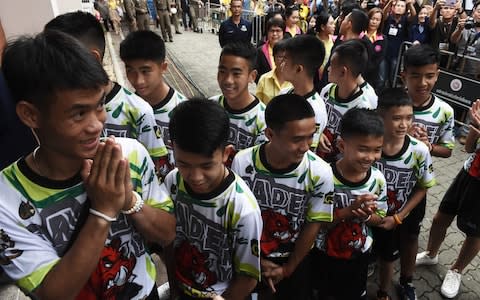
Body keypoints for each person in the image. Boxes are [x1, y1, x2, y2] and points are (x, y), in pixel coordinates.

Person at [0, 29, 176, 300]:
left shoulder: (130, 155)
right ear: (30, 115)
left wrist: (129, 199)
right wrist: (103, 211)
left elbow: (168, 232)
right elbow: (53, 293)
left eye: (99, 106)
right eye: (79, 113)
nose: (96, 125)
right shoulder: (7, 199)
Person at [231, 94, 335, 300]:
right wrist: (255, 261)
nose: (306, 146)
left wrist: (288, 269)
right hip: (248, 257)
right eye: (296, 139)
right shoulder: (243, 162)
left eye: (311, 136)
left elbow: (313, 224)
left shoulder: (320, 172)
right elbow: (236, 219)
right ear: (270, 133)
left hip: (296, 259)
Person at [45, 12, 171, 180]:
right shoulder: (51, 108)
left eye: (58, 59)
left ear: (92, 57)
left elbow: (160, 172)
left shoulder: (138, 111)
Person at [164, 98, 262, 299]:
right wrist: (173, 288)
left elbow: (248, 277)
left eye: (207, 166)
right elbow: (169, 243)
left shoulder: (243, 210)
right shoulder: (173, 181)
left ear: (226, 153)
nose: (195, 177)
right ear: (172, 147)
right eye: (183, 164)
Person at [397, 43, 454, 299]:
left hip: (416, 187)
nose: (423, 82)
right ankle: (379, 259)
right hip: (384, 181)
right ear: (404, 75)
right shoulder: (389, 103)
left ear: (438, 74)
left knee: (411, 235)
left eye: (429, 75)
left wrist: (429, 146)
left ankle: (407, 280)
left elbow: (448, 150)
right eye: (415, 76)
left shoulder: (444, 111)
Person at [313, 108, 387, 300]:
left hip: (359, 255)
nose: (370, 157)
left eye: (377, 150)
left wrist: (368, 216)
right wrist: (349, 211)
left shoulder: (377, 180)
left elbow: (380, 219)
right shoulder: (325, 177)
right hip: (324, 254)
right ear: (342, 146)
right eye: (362, 149)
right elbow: (316, 224)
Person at [373, 88, 436, 300]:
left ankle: (399, 285)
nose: (404, 124)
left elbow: (423, 186)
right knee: (378, 255)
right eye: (397, 118)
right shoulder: (371, 146)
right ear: (380, 117)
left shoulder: (419, 150)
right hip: (373, 215)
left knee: (397, 249)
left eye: (409, 117)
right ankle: (377, 287)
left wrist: (399, 217)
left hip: (401, 214)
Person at [415, 100, 480, 299]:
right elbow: (469, 148)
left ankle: (457, 270)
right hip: (469, 172)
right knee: (440, 218)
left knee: (475, 233)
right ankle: (431, 254)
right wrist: (475, 128)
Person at [120, 30, 187, 166]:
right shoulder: (122, 109)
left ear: (163, 67)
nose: (138, 81)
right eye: (130, 71)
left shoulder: (184, 111)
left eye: (145, 71)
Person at [318, 39, 377, 163]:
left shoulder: (362, 107)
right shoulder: (327, 90)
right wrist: (318, 134)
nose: (328, 68)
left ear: (343, 71)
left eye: (331, 65)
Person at [210, 42, 267, 166]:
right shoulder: (209, 108)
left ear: (252, 76)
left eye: (236, 74)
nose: (228, 80)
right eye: (222, 71)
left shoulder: (263, 120)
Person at [279, 35, 328, 153]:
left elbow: (306, 150)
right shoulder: (284, 93)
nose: (281, 64)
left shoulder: (316, 109)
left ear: (298, 69)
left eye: (285, 60)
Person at [383, 0, 417, 87]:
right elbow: (383, 14)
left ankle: (390, 95)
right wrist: (390, 2)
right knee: (381, 78)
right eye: (398, 5)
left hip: (396, 55)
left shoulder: (405, 19)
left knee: (392, 77)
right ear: (393, 7)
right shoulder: (389, 18)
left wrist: (409, 4)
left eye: (402, 6)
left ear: (405, 9)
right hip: (384, 53)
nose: (399, 8)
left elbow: (413, 15)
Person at [255, 18, 285, 83]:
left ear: (283, 33)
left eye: (278, 31)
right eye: (272, 31)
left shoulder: (289, 50)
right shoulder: (260, 51)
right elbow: (256, 73)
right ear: (267, 33)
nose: (274, 34)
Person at [366, 7, 387, 91]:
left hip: (372, 74)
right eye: (372, 18)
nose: (374, 22)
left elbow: (379, 59)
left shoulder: (382, 38)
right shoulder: (360, 34)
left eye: (377, 20)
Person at [315, 11, 336, 79]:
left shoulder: (334, 40)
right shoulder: (315, 43)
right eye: (331, 24)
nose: (334, 26)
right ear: (323, 27)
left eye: (334, 23)